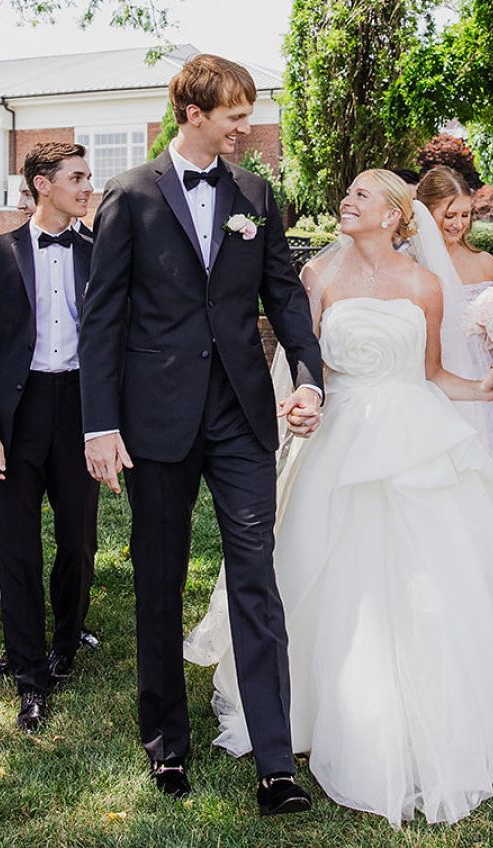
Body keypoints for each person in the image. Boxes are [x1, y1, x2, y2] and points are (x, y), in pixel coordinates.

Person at [209, 170, 493, 827]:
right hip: (343, 436)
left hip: (415, 435)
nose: (346, 201)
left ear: (393, 215)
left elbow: (434, 374)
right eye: (349, 192)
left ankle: (436, 706)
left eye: (361, 195)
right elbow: (307, 362)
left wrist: (488, 390)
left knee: (427, 577)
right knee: (327, 569)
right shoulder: (318, 278)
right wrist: (302, 400)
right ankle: (321, 705)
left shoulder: (424, 285)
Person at [80, 54, 324, 816]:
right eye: (235, 114)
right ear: (193, 112)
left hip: (242, 416)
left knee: (257, 576)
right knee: (159, 577)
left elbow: (282, 294)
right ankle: (167, 744)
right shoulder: (128, 195)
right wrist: (99, 424)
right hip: (155, 420)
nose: (246, 126)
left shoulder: (255, 193)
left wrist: (310, 377)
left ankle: (275, 762)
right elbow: (102, 321)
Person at [0, 144, 101, 733]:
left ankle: (65, 643)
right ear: (42, 185)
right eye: (77, 178)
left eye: (89, 177)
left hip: (78, 408)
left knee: (78, 541)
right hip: (16, 416)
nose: (87, 187)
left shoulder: (98, 252)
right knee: (18, 549)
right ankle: (29, 675)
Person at [416, 166, 493, 548]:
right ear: (424, 208)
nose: (458, 224)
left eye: (465, 215)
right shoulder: (411, 265)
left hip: (480, 380)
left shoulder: (484, 262)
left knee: (490, 465)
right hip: (433, 380)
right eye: (448, 215)